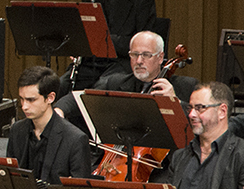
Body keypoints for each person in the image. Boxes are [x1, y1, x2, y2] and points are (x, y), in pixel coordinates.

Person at [56, 31, 197, 134]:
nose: (139, 61)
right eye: (134, 55)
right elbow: (80, 98)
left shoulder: (186, 86)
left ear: (160, 57)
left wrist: (175, 103)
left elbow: (201, 120)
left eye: (146, 55)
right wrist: (59, 110)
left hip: (164, 166)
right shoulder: (116, 83)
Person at [66, 0, 157, 91]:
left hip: (122, 62)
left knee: (100, 88)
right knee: (60, 86)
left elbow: (143, 44)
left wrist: (102, 40)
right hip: (94, 62)